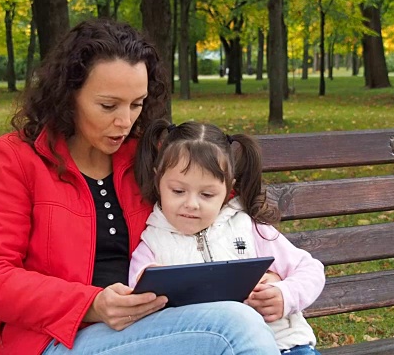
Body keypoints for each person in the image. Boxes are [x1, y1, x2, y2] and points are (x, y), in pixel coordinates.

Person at [0, 19, 282, 355]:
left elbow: (214, 199)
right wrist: (92, 303)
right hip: (54, 341)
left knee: (238, 323)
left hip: (151, 330)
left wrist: (268, 274)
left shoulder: (143, 154)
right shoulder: (18, 159)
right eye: (108, 106)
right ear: (68, 95)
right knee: (234, 328)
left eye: (136, 104)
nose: (125, 121)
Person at [130, 119, 326, 355]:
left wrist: (285, 294)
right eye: (178, 191)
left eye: (207, 194)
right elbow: (139, 302)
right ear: (158, 180)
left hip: (286, 346)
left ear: (227, 189)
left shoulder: (247, 227)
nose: (191, 204)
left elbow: (310, 269)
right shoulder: (152, 244)